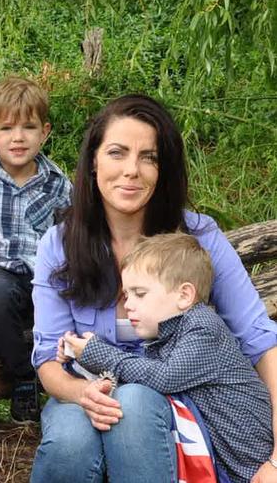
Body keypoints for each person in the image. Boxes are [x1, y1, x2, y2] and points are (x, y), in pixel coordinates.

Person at [28, 94, 277, 483]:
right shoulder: (59, 244)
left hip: (184, 403)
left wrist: (276, 457)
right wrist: (80, 395)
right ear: (93, 161)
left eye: (149, 157)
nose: (132, 170)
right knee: (69, 443)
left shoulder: (199, 238)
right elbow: (48, 358)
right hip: (84, 391)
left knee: (136, 401)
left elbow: (261, 343)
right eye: (117, 152)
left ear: (164, 169)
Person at [62, 232, 273, 482]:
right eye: (126, 295)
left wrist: (96, 351)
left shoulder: (203, 328)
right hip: (227, 463)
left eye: (139, 294)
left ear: (184, 295)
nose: (128, 304)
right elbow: (139, 375)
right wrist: (78, 357)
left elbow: (164, 377)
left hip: (253, 463)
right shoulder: (167, 336)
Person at [0, 76, 72, 423]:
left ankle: (69, 377)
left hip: (47, 277)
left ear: (45, 132)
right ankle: (25, 378)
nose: (18, 137)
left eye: (29, 127)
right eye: (7, 128)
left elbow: (71, 239)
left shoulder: (57, 182)